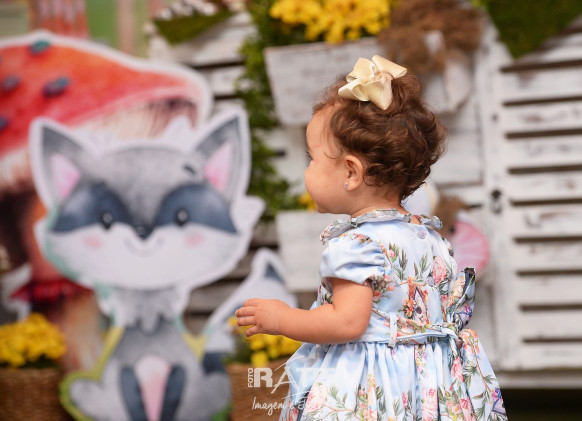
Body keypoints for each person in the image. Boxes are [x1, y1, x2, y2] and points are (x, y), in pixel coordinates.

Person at [236, 56, 507, 421]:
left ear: (350, 173)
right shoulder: (429, 237)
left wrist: (282, 318)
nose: (307, 171)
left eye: (312, 159)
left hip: (376, 390)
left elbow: (347, 323)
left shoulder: (356, 245)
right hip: (429, 386)